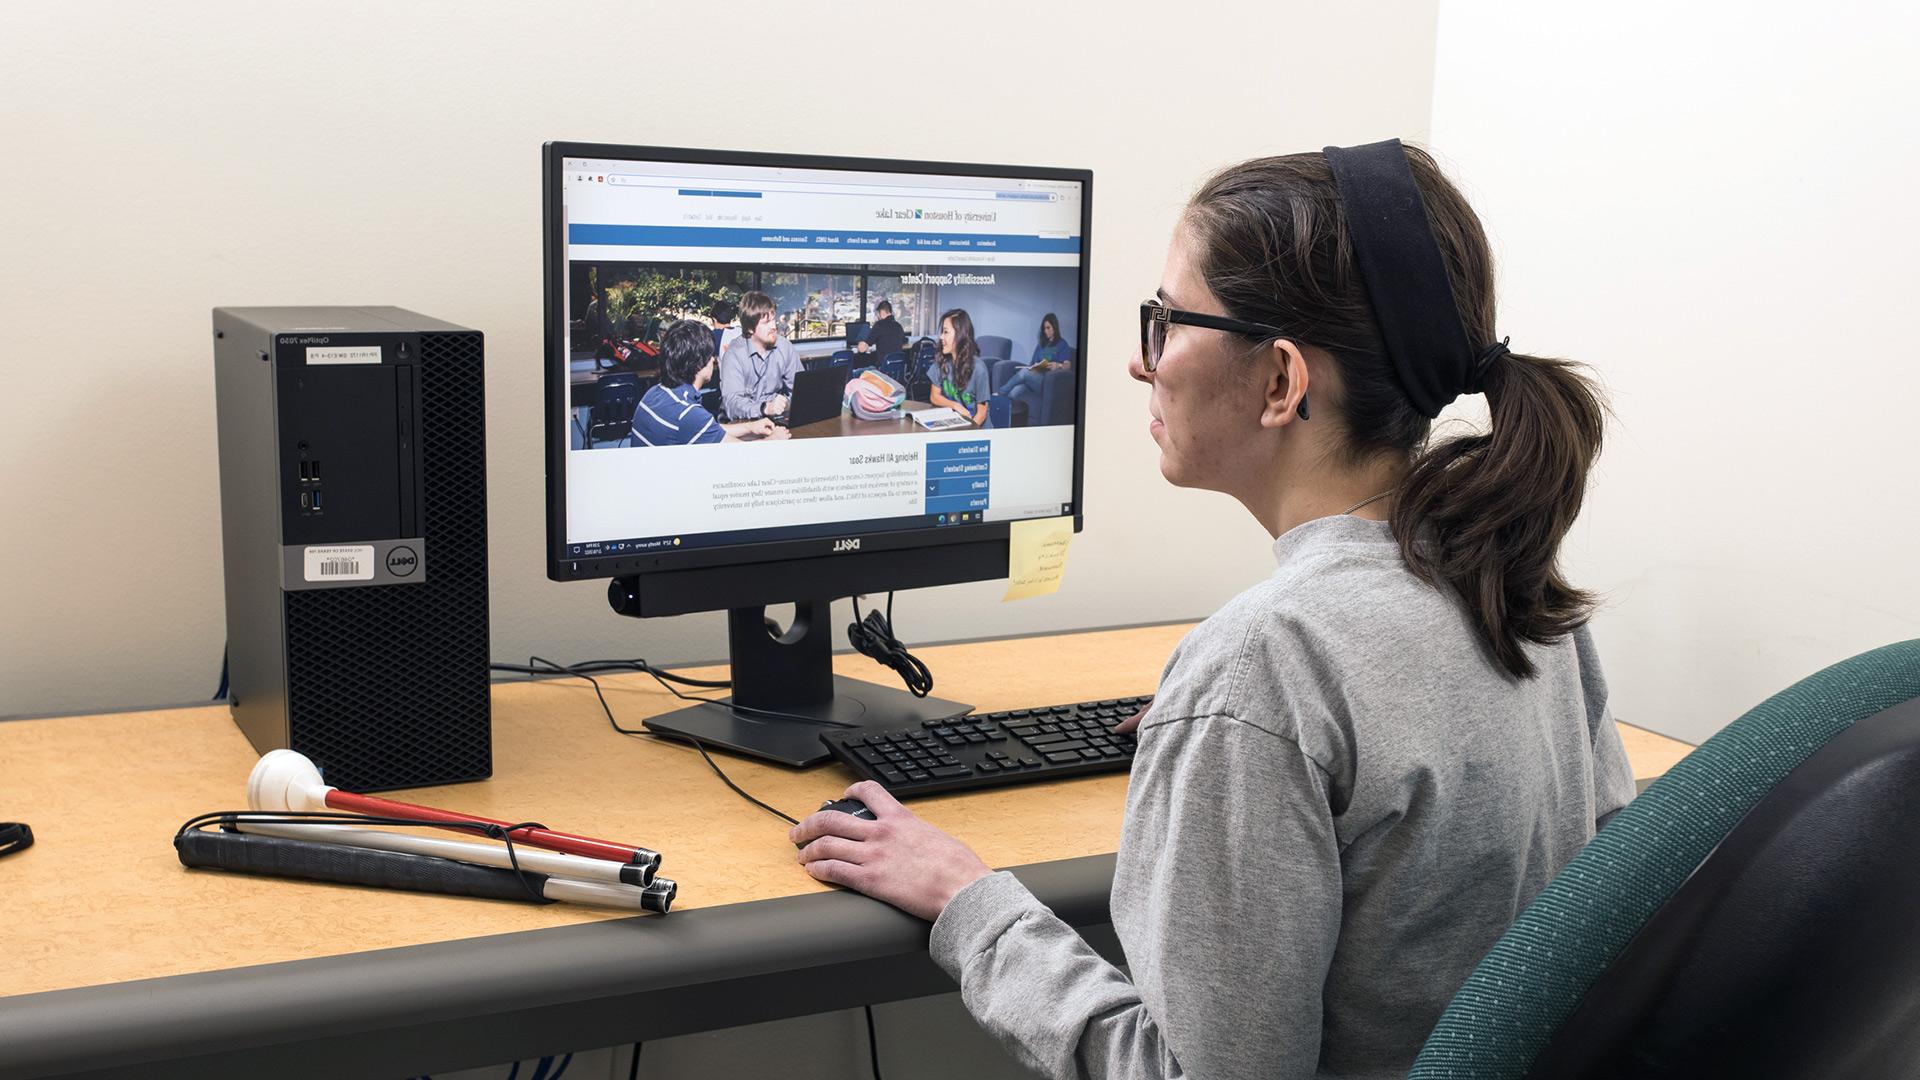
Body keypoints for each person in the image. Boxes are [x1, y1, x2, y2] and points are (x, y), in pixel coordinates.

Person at [789, 140, 1634, 1080]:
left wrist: (969, 900)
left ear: (1280, 381)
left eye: (1164, 320)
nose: (1138, 363)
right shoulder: (1516, 586)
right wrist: (1237, 746)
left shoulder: (1268, 663)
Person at [631, 319, 787, 446]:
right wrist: (774, 440)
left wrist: (750, 427)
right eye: (710, 356)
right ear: (699, 364)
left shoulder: (655, 393)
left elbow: (706, 430)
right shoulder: (689, 414)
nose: (713, 360)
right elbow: (742, 455)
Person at [718, 291, 803, 421]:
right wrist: (764, 408)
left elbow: (800, 389)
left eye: (773, 320)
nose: (774, 327)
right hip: (741, 422)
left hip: (774, 418)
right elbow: (732, 403)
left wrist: (786, 403)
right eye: (766, 322)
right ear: (750, 329)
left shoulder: (785, 347)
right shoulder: (734, 354)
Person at [1002, 312, 1074, 417]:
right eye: (1044, 329)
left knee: (1024, 373)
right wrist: (1032, 367)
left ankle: (1000, 392)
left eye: (1048, 328)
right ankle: (1006, 418)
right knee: (1014, 391)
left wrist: (1058, 366)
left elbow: (1068, 365)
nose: (1046, 331)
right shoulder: (1041, 345)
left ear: (1055, 327)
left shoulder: (1062, 344)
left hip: (1046, 384)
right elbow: (1032, 364)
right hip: (1034, 379)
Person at [928, 308, 991, 426]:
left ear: (960, 335)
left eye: (946, 332)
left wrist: (964, 436)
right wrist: (955, 405)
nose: (941, 337)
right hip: (955, 425)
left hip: (976, 431)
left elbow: (981, 414)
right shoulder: (941, 362)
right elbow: (934, 396)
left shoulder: (979, 369)